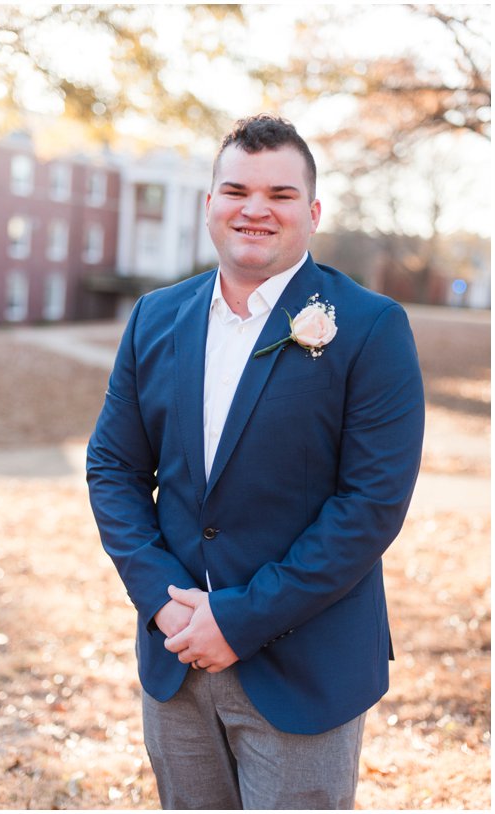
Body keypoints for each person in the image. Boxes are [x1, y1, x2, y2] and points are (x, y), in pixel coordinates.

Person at [86, 115, 425, 809]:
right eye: (236, 189)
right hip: (175, 655)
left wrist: (237, 620)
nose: (255, 209)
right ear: (209, 202)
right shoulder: (155, 317)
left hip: (305, 666)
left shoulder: (370, 327)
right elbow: (114, 470)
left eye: (280, 194)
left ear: (313, 211)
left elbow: (370, 506)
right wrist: (165, 605)